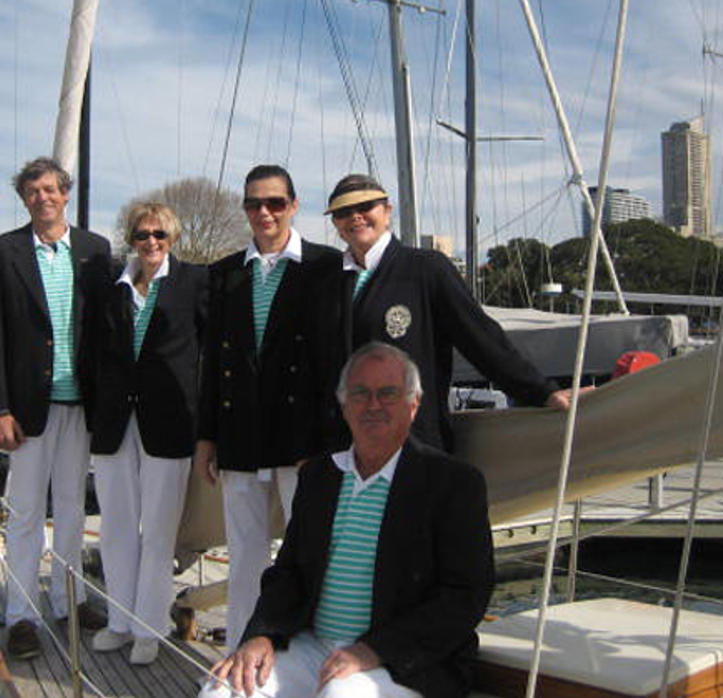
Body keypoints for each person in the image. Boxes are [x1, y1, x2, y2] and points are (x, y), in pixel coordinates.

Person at [200, 342, 494, 698]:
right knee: (224, 691)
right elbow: (288, 572)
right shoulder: (320, 475)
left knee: (341, 694)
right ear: (344, 405)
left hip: (403, 662)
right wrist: (261, 635)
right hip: (314, 646)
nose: (373, 405)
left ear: (413, 406)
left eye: (388, 393)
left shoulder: (452, 483)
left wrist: (375, 649)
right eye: (360, 393)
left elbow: (466, 595)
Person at [316, 173, 572, 454]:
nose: (355, 217)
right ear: (336, 224)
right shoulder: (327, 283)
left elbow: (479, 338)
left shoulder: (426, 269)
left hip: (412, 444)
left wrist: (542, 391)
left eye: (365, 207)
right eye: (343, 212)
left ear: (387, 211)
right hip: (342, 447)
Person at [195, 164, 341, 648]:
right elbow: (213, 363)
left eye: (275, 203)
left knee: (309, 556)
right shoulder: (223, 275)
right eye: (254, 204)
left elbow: (331, 362)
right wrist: (206, 436)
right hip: (240, 435)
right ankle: (240, 654)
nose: (264, 213)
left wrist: (322, 439)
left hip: (301, 440)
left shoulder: (326, 267)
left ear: (293, 206)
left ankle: (303, 654)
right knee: (244, 558)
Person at [0, 156, 113, 660]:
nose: (44, 197)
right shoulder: (2, 252)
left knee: (75, 511)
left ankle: (70, 599)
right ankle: (21, 614)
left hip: (81, 403)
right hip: (27, 408)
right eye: (33, 191)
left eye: (52, 189)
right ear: (24, 198)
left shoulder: (94, 250)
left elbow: (106, 326)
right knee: (26, 514)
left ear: (65, 193)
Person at [89, 202, 208, 665]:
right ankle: (120, 620)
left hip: (171, 422)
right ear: (131, 239)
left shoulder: (193, 283)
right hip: (116, 422)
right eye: (142, 235)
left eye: (160, 234)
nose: (151, 242)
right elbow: (97, 355)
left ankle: (149, 626)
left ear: (172, 237)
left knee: (158, 532)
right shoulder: (114, 289)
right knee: (116, 527)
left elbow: (212, 351)